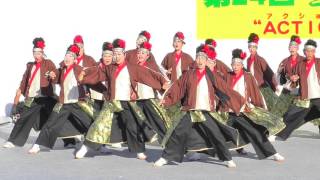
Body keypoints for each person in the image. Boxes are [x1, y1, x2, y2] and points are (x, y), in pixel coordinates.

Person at [3, 38, 57, 148]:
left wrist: (53, 74)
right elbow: (25, 79)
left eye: (39, 53)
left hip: (47, 97)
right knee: (23, 118)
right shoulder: (30, 66)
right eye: (34, 53)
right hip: (33, 98)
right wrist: (20, 90)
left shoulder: (48, 63)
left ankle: (70, 140)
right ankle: (13, 140)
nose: (36, 55)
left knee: (57, 117)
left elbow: (55, 72)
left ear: (42, 53)